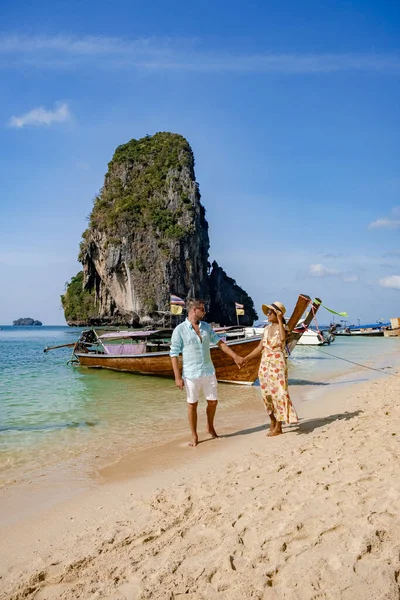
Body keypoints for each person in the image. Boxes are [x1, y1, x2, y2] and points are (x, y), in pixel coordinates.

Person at [170, 298, 245, 447]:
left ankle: (210, 427)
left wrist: (235, 356)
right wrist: (178, 377)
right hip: (191, 373)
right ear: (194, 310)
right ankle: (194, 435)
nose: (204, 313)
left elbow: (220, 343)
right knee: (192, 404)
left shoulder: (206, 327)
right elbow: (174, 354)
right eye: (202, 310)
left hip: (208, 371)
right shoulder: (179, 330)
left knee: (213, 402)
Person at [244, 301, 298, 437]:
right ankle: (273, 421)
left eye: (270, 312)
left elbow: (282, 339)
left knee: (279, 393)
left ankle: (279, 426)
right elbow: (260, 347)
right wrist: (246, 359)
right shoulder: (267, 329)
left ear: (277, 314)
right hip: (265, 363)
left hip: (277, 363)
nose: (267, 314)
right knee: (266, 395)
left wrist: (280, 320)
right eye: (267, 312)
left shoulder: (283, 328)